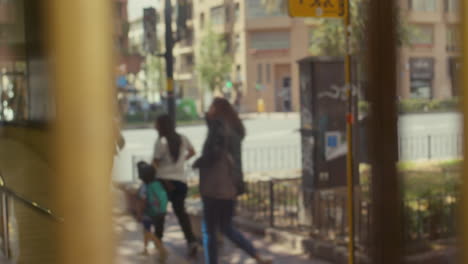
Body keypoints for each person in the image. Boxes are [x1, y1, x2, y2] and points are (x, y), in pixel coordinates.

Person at [193, 98, 272, 264]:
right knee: (226, 227)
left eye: (212, 107)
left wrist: (199, 162)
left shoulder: (218, 128)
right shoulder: (235, 130)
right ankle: (256, 255)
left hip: (213, 186)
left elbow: (213, 153)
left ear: (218, 110)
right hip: (230, 186)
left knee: (209, 230)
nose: (209, 109)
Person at [152, 114, 198, 257]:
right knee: (181, 213)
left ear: (161, 126)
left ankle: (159, 244)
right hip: (180, 181)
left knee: (160, 214)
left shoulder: (161, 142)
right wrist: (181, 162)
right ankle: (191, 241)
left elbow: (155, 163)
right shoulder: (183, 138)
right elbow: (192, 152)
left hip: (163, 182)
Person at [136, 161, 168, 260]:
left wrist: (139, 213)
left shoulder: (145, 186)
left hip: (149, 213)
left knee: (147, 231)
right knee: (151, 232)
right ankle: (146, 249)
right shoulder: (158, 183)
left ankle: (162, 249)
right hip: (161, 211)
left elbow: (143, 201)